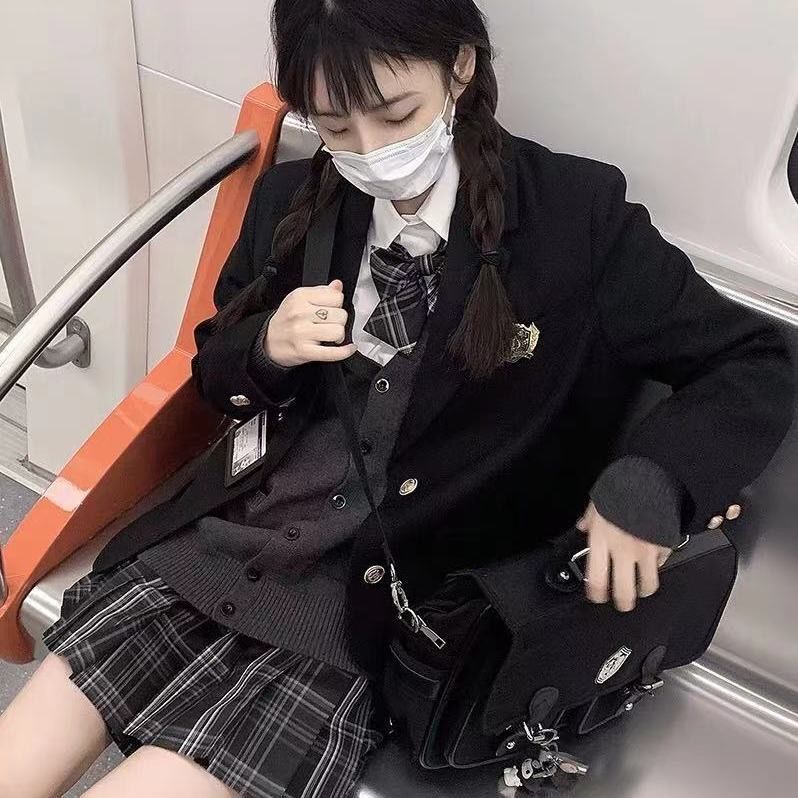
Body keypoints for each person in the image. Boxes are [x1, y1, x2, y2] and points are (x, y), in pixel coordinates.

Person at [0, 1, 794, 797]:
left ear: (460, 66)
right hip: (222, 544)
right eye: (336, 127)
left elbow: (755, 361)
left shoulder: (574, 219)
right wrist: (266, 347)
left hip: (364, 617)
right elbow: (215, 369)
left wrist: (653, 482)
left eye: (396, 115)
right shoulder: (294, 201)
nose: (371, 152)